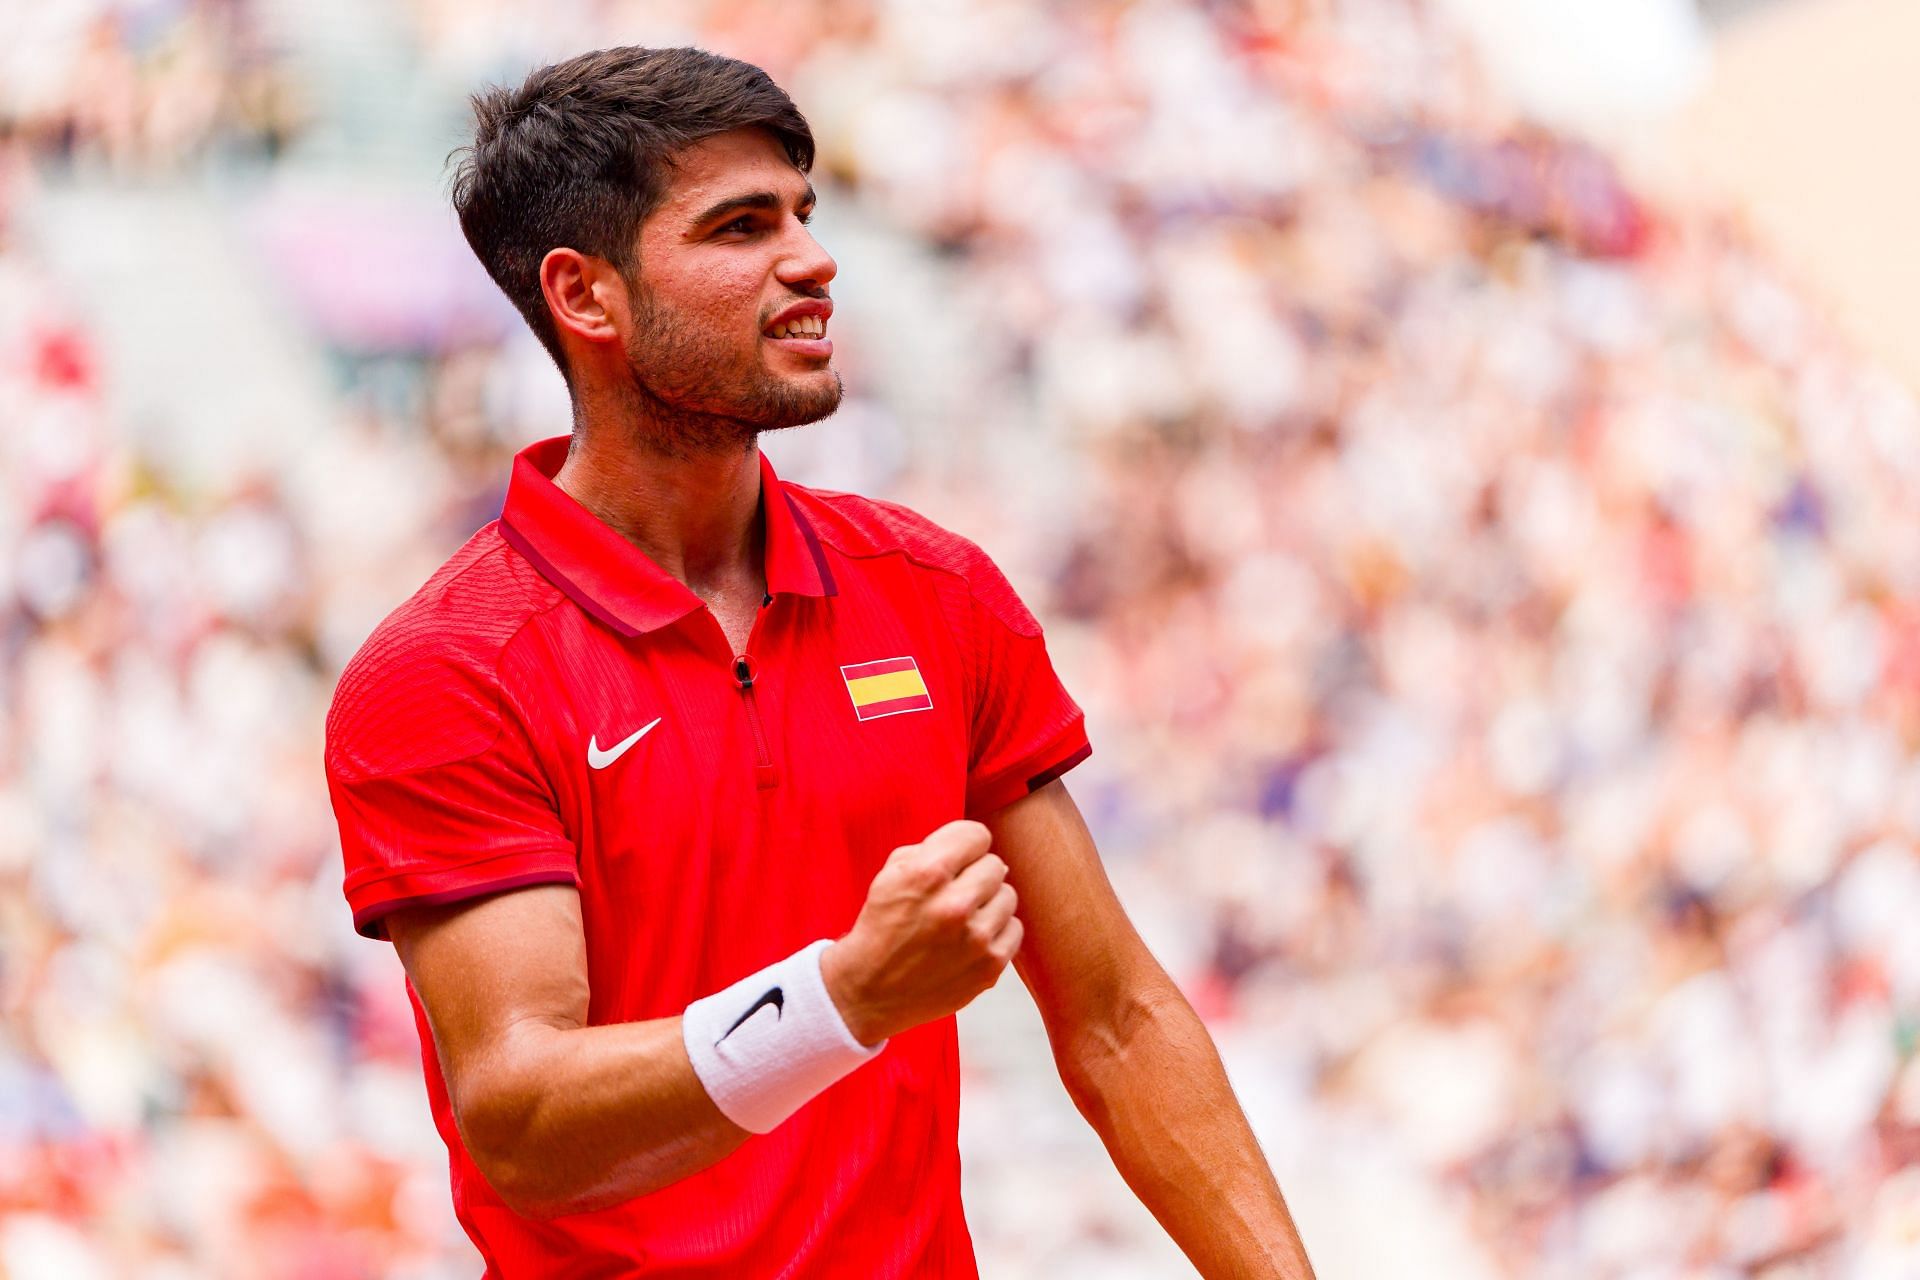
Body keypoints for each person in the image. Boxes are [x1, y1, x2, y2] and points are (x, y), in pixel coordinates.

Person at [323, 45, 1317, 1279]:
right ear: (587, 298)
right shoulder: (449, 672)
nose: (812, 256)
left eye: (804, 209)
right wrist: (840, 999)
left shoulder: (936, 591)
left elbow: (1118, 1019)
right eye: (741, 226)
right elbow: (522, 1119)